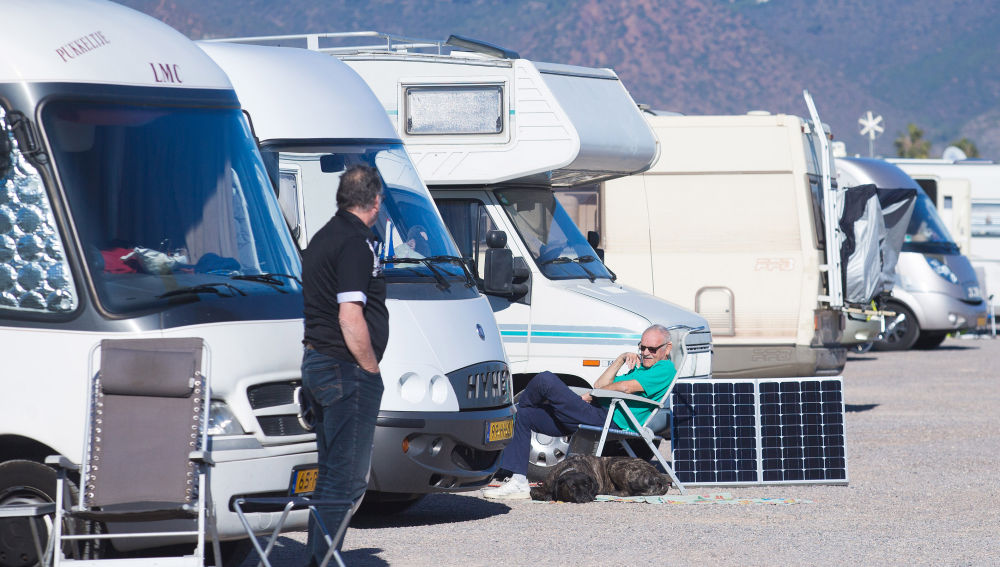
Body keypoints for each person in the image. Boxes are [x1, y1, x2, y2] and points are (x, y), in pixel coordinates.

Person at [300, 165, 388, 562]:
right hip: (344, 368)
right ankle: (320, 560)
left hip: (320, 362)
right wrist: (370, 369)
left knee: (332, 473)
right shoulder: (355, 243)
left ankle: (319, 555)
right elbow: (350, 316)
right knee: (347, 479)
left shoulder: (322, 237)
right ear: (375, 200)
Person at [482, 324, 676, 500]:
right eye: (642, 348)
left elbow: (624, 388)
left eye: (652, 349)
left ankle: (506, 420)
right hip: (594, 413)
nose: (646, 353)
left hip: (608, 419)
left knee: (545, 380)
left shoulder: (664, 369)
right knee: (524, 416)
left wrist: (593, 394)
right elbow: (600, 384)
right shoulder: (641, 367)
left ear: (667, 348)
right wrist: (621, 359)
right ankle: (518, 482)